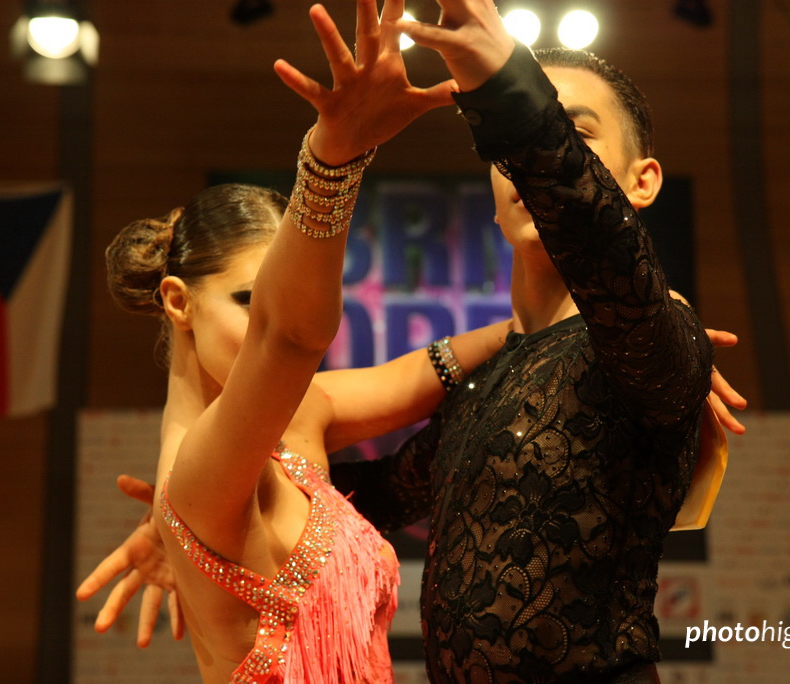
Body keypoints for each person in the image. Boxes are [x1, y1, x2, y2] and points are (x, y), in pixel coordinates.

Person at [79, 1, 749, 681]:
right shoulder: (491, 381)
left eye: (573, 134)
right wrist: (192, 517)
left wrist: (503, 83)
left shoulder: (650, 341)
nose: (533, 162)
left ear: (642, 181)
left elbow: (598, 236)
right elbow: (349, 500)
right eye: (516, 147)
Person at [87, 1, 516, 681]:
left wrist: (588, 317)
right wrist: (332, 159)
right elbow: (289, 336)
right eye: (249, 303)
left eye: (273, 304)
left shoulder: (292, 420)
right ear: (178, 301)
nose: (269, 322)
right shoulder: (199, 474)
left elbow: (424, 371)